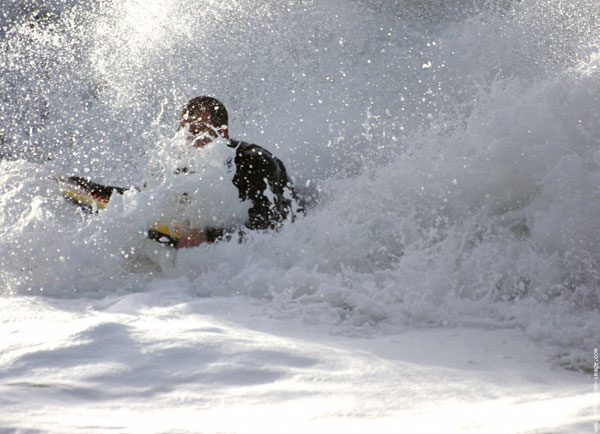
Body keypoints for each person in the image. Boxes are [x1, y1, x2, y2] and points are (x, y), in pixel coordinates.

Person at [174, 96, 299, 248]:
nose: (190, 140)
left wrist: (208, 236)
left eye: (197, 132)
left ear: (222, 132)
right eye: (184, 132)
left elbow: (267, 226)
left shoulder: (255, 162)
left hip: (290, 240)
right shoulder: (182, 166)